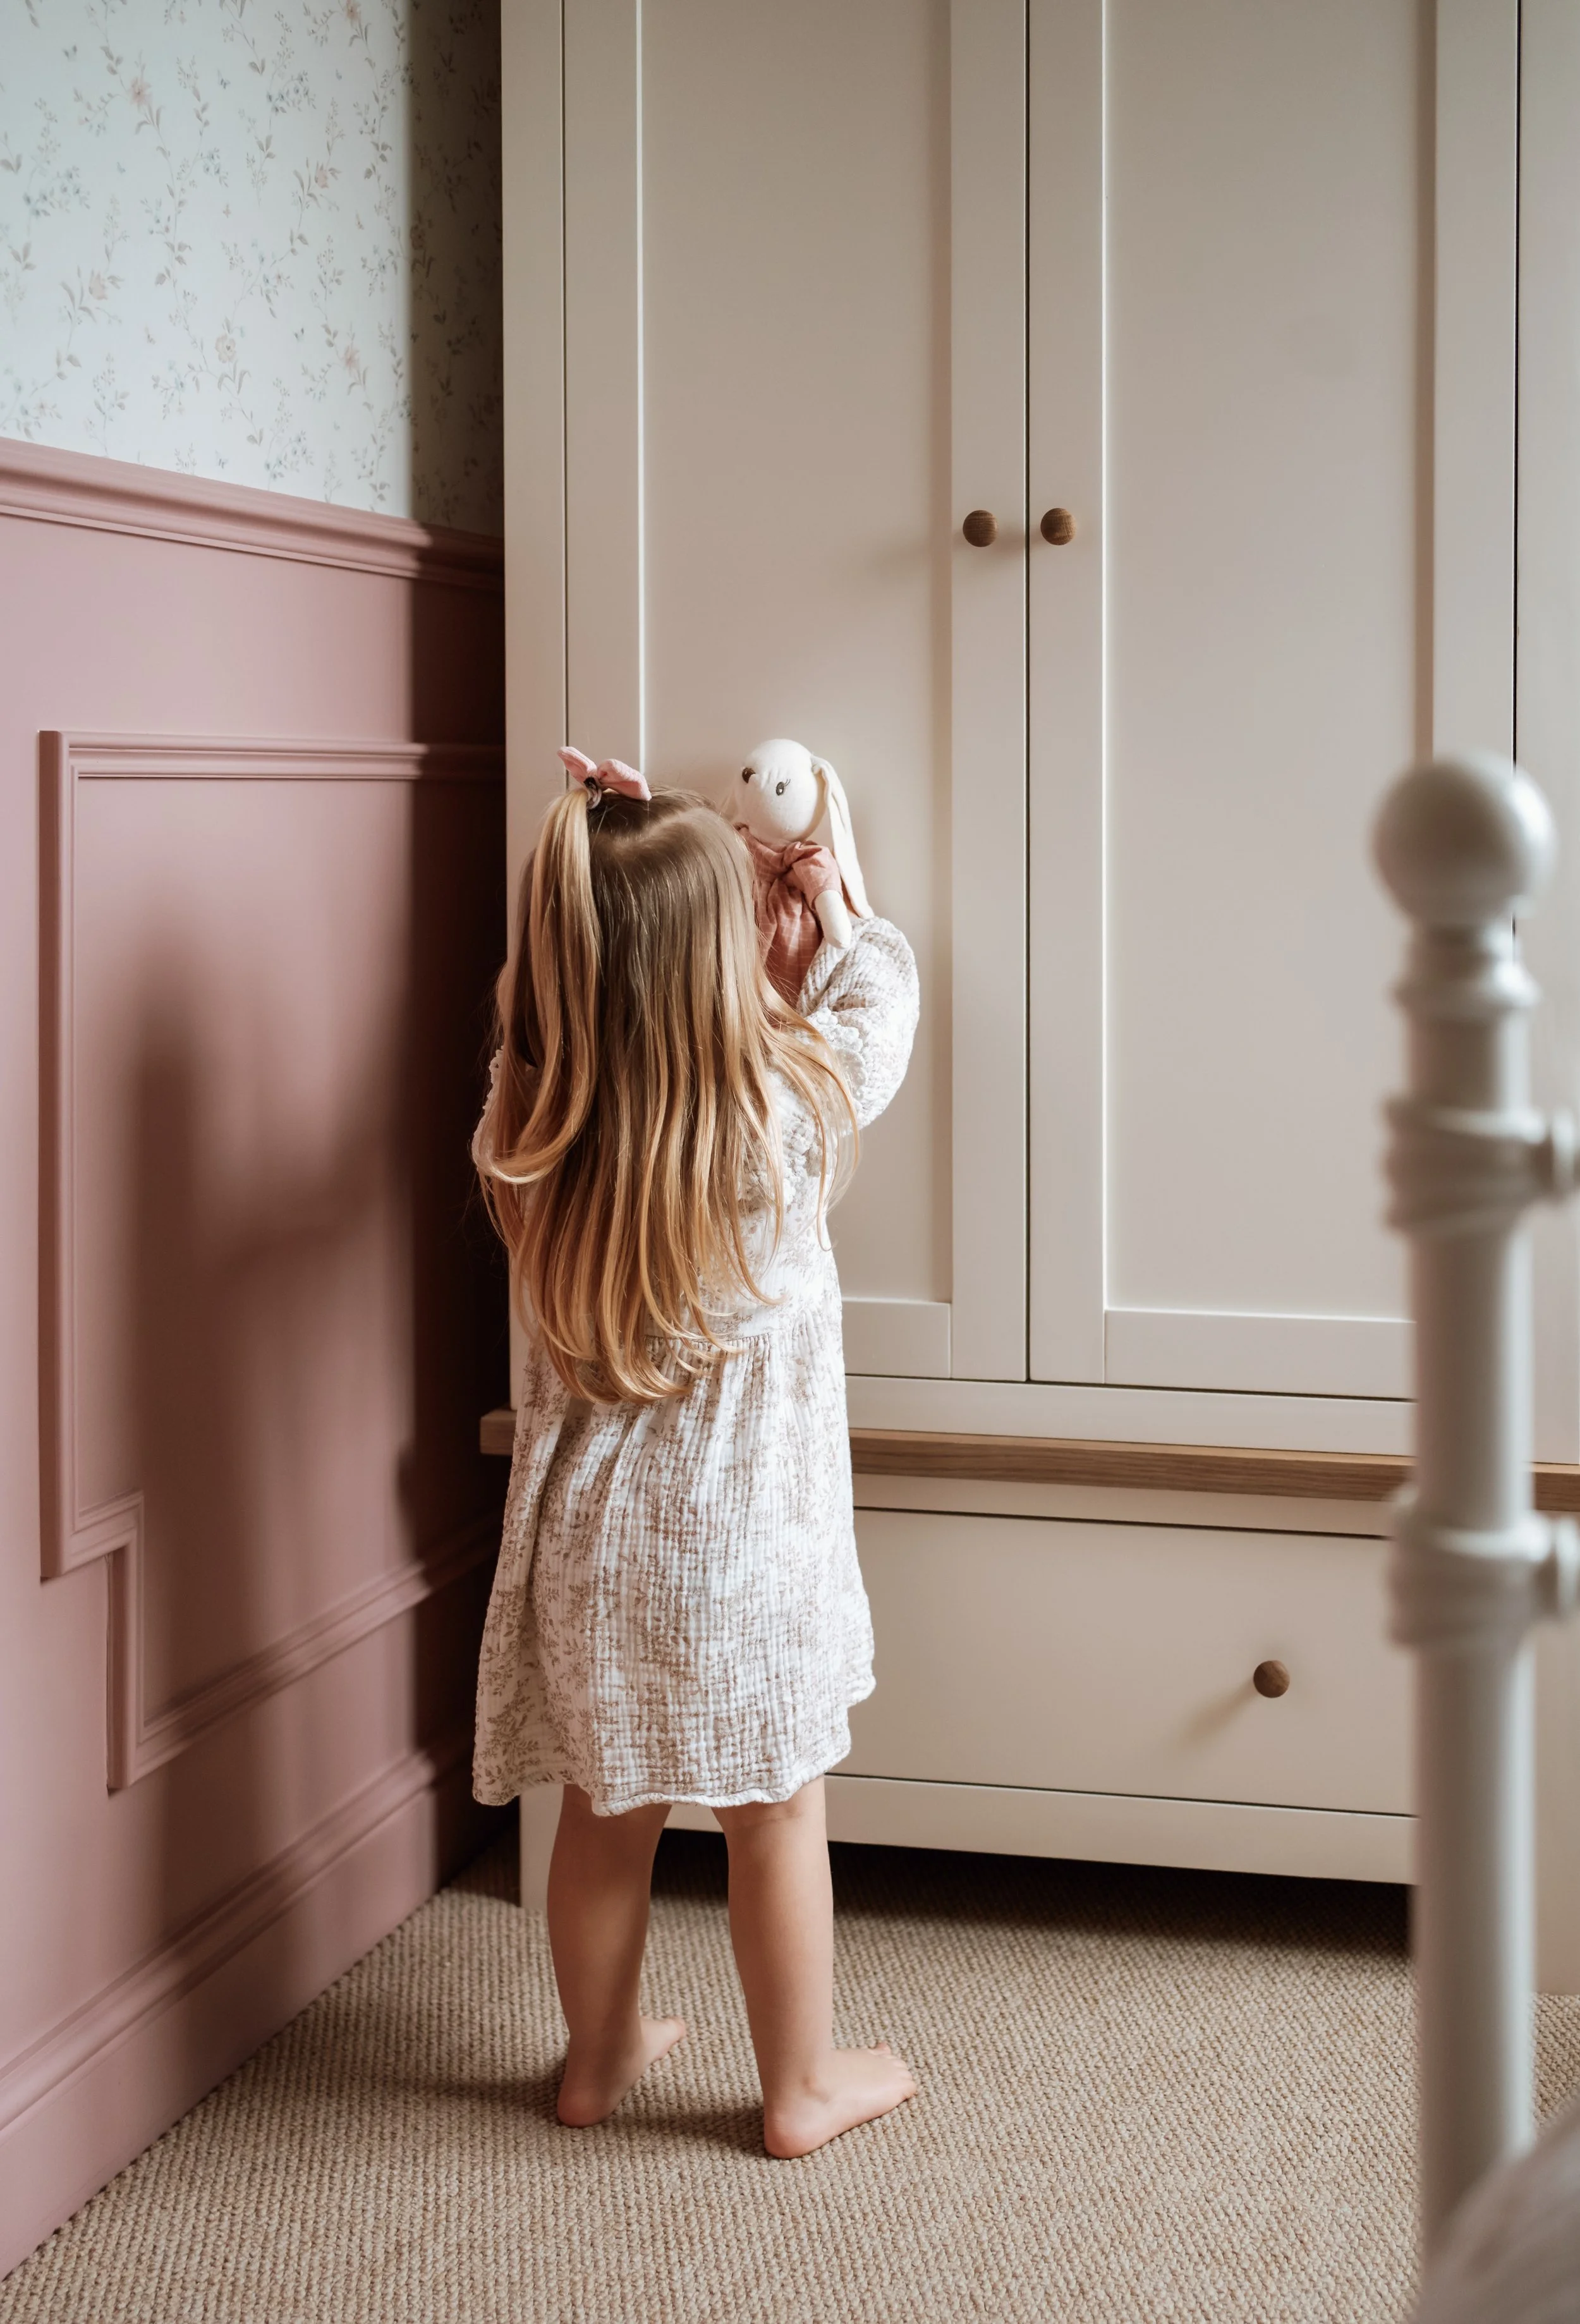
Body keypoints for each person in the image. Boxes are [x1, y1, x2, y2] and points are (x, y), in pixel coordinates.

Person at [470, 749, 920, 2158]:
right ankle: (796, 2085)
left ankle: (595, 2058)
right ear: (715, 975)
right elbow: (876, 1012)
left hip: (591, 1559)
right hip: (747, 1559)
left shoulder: (521, 1130)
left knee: (603, 1816)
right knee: (773, 1814)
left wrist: (606, 856)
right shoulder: (778, 1125)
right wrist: (832, 905)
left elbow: (575, 1013)